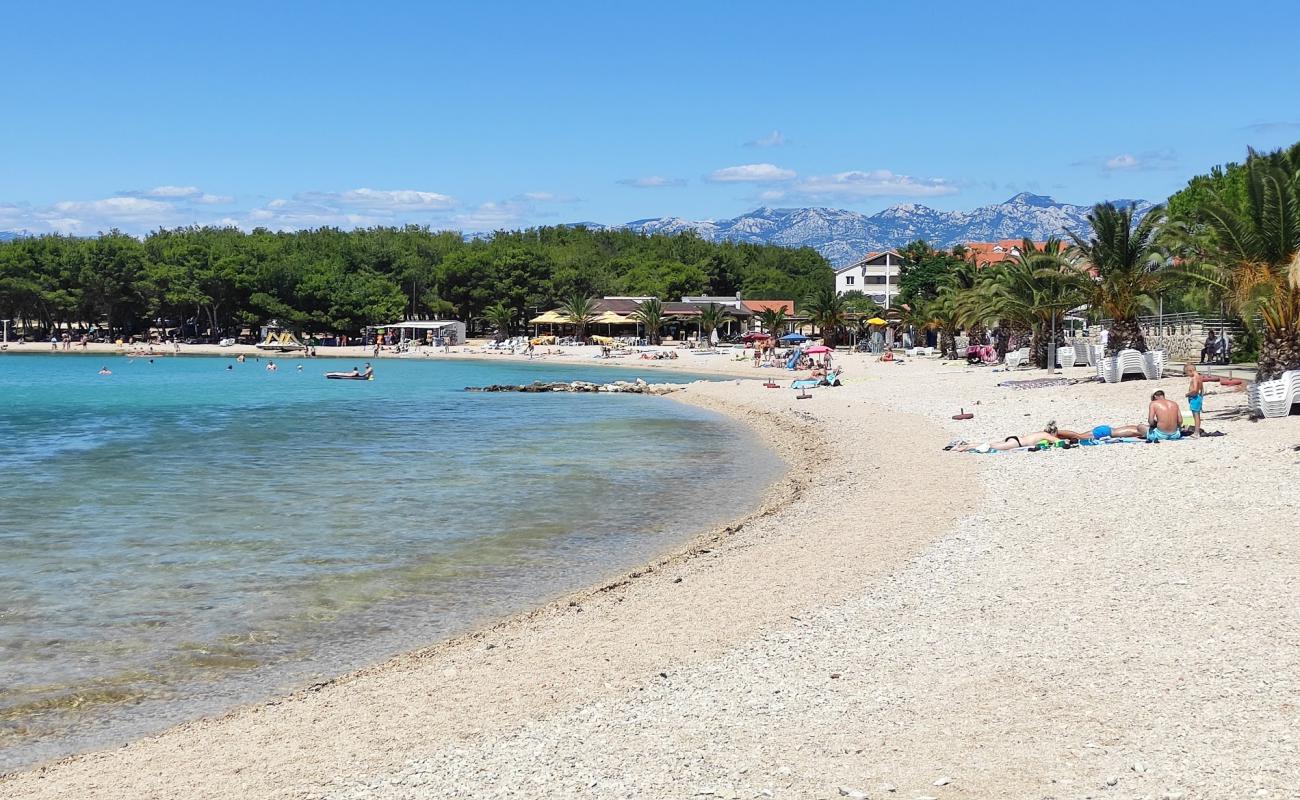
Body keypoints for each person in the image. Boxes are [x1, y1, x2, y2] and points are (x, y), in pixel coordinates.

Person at [1185, 363, 1205, 437]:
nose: (1188, 375)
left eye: (1187, 373)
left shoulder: (1194, 378)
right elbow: (1202, 390)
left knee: (1196, 415)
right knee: (1197, 415)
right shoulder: (1199, 377)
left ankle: (1196, 432)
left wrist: (1188, 394)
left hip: (1195, 398)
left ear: (1190, 371)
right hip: (1198, 398)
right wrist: (1201, 398)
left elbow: (1195, 389)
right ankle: (1197, 431)